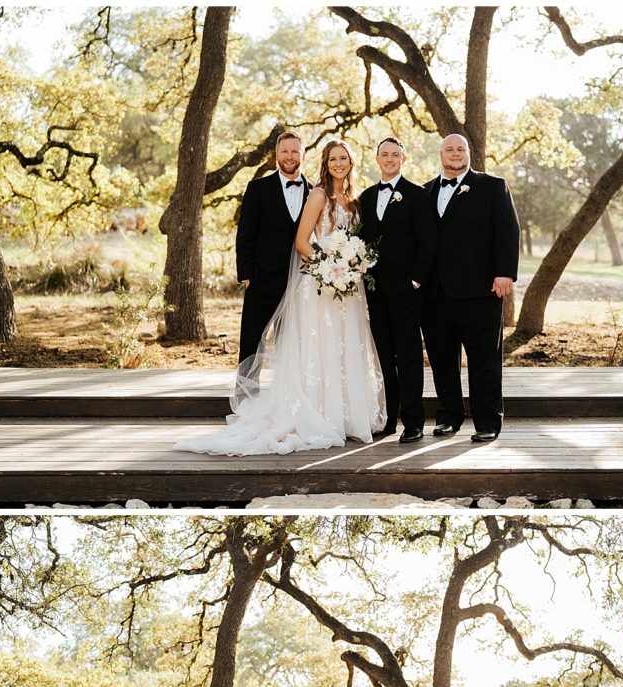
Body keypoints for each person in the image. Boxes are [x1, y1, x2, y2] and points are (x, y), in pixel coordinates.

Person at [173, 139, 386, 457]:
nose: (338, 163)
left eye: (343, 158)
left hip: (342, 289)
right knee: (260, 343)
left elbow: (358, 239)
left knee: (336, 348)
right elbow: (267, 235)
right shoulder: (299, 192)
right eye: (332, 159)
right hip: (295, 279)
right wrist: (326, 268)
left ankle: (345, 415)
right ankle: (253, 406)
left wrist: (350, 266)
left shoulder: (355, 199)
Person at [423, 133, 520, 442]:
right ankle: (448, 417)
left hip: (481, 290)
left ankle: (488, 422)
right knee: (442, 360)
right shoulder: (424, 191)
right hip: (435, 294)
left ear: (469, 153)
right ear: (440, 155)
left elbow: (508, 230)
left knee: (484, 360)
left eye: (460, 148)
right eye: (449, 149)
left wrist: (505, 273)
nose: (455, 153)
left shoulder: (492, 186)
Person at [359, 136, 438, 442]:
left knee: (407, 356)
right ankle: (388, 419)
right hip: (374, 290)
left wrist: (415, 280)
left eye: (395, 155)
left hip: (406, 291)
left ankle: (414, 422)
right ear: (377, 159)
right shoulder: (365, 198)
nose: (389, 159)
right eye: (384, 155)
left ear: (404, 160)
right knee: (382, 355)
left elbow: (429, 243)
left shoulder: (417, 195)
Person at [236, 130, 311, 364]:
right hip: (262, 279)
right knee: (252, 342)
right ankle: (247, 397)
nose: (289, 156)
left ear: (303, 154)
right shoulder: (258, 188)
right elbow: (245, 233)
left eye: (294, 151)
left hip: (300, 282)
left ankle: (290, 396)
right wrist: (246, 274)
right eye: (284, 151)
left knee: (293, 344)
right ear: (276, 154)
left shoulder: (316, 191)